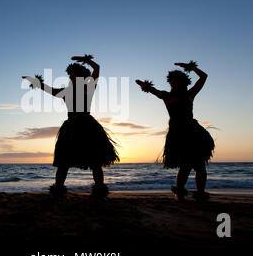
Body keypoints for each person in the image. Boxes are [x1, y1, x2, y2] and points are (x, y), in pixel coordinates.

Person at [23, 55, 119, 197]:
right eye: (69, 75)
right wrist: (37, 83)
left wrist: (86, 60)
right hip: (71, 128)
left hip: (88, 127)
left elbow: (97, 68)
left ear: (80, 76)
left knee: (95, 161)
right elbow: (50, 90)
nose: (70, 77)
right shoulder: (66, 92)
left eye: (72, 75)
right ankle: (58, 189)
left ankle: (99, 190)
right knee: (63, 161)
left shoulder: (89, 87)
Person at [136, 61, 214, 201]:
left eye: (175, 80)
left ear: (182, 82)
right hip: (177, 134)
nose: (172, 83)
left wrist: (191, 67)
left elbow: (204, 77)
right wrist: (145, 86)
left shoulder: (190, 93)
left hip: (194, 133)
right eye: (171, 81)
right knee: (185, 165)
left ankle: (200, 194)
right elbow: (154, 91)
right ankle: (179, 193)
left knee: (200, 165)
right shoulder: (166, 96)